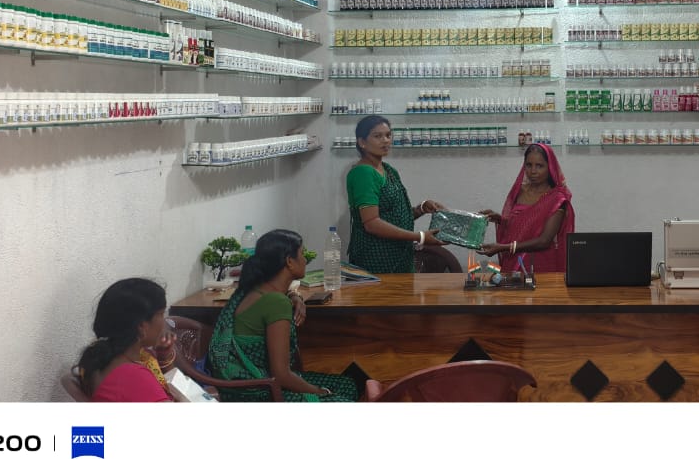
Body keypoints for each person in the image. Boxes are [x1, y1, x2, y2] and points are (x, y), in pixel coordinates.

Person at [206, 229, 357, 402]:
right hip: (260, 392)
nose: (305, 260)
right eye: (302, 254)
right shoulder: (277, 303)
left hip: (241, 385)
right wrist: (321, 391)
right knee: (342, 399)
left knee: (347, 384)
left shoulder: (253, 289)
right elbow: (281, 375)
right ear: (289, 262)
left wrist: (295, 296)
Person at [346, 115, 446, 273]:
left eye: (388, 135)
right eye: (377, 136)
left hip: (400, 255)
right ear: (362, 142)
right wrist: (419, 236)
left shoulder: (389, 170)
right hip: (375, 258)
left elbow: (395, 216)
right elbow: (372, 223)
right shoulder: (363, 173)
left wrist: (421, 209)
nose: (385, 140)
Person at [74, 278, 177, 402]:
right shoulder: (133, 376)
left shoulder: (105, 358)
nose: (164, 322)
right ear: (142, 327)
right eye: (161, 314)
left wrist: (164, 357)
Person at [478, 143, 576, 273]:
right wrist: (500, 219)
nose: (533, 171)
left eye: (539, 166)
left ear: (550, 168)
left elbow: (544, 240)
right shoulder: (520, 191)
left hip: (541, 264)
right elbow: (521, 225)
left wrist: (503, 247)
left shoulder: (557, 199)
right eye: (529, 165)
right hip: (515, 261)